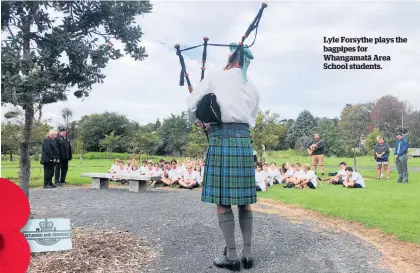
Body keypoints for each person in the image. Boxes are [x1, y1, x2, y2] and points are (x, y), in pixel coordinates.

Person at [186, 42, 259, 270]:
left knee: (223, 200)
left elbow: (192, 104)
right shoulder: (253, 87)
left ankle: (232, 256)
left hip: (220, 139)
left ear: (230, 57)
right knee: (245, 201)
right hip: (244, 141)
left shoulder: (215, 77)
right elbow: (252, 119)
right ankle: (247, 254)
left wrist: (201, 121)